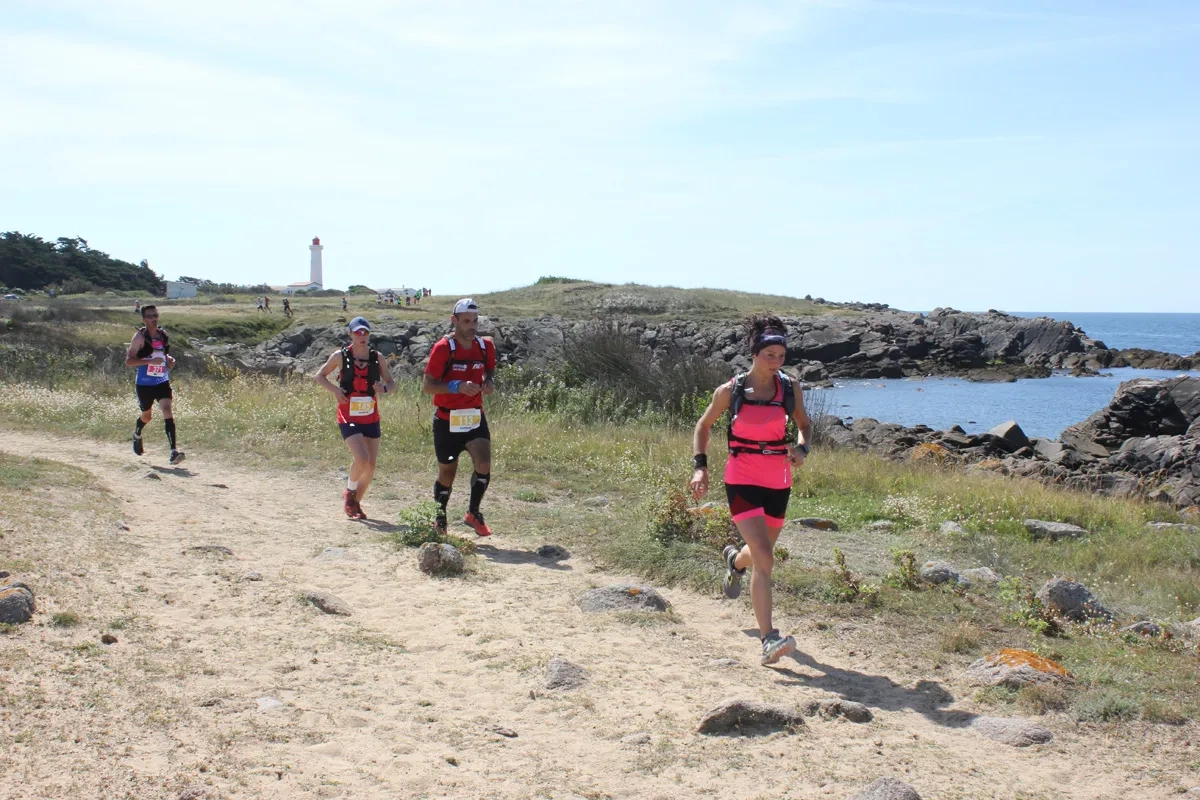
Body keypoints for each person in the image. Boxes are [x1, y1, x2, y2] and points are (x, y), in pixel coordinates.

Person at [690, 315, 811, 666]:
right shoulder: (731, 391)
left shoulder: (789, 388)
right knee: (766, 556)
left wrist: (802, 449)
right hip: (741, 478)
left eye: (781, 356)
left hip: (778, 481)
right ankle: (769, 640)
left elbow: (803, 426)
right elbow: (704, 425)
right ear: (755, 354)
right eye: (769, 355)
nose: (776, 362)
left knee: (759, 554)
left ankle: (733, 560)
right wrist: (701, 466)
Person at [422, 298, 496, 536]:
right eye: (466, 321)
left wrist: (489, 381)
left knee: (483, 464)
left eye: (475, 321)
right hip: (447, 420)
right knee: (447, 472)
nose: (472, 326)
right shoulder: (443, 348)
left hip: (474, 417)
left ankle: (473, 513)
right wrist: (457, 386)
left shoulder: (485, 346)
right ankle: (440, 517)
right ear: (454, 321)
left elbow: (489, 370)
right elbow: (428, 385)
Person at [314, 317, 397, 519]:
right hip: (347, 414)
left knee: (370, 466)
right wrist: (335, 390)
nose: (362, 336)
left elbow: (392, 383)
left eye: (366, 332)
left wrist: (384, 389)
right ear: (350, 334)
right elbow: (319, 376)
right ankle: (350, 493)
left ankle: (355, 504)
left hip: (371, 415)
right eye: (358, 332)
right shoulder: (340, 356)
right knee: (362, 458)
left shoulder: (377, 358)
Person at [125, 305, 185, 465]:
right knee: (147, 416)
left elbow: (162, 354)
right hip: (144, 384)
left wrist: (169, 360)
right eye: (150, 316)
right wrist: (149, 361)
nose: (154, 318)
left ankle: (173, 452)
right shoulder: (139, 337)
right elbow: (129, 361)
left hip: (161, 381)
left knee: (167, 409)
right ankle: (137, 434)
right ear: (144, 319)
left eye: (156, 315)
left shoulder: (162, 335)